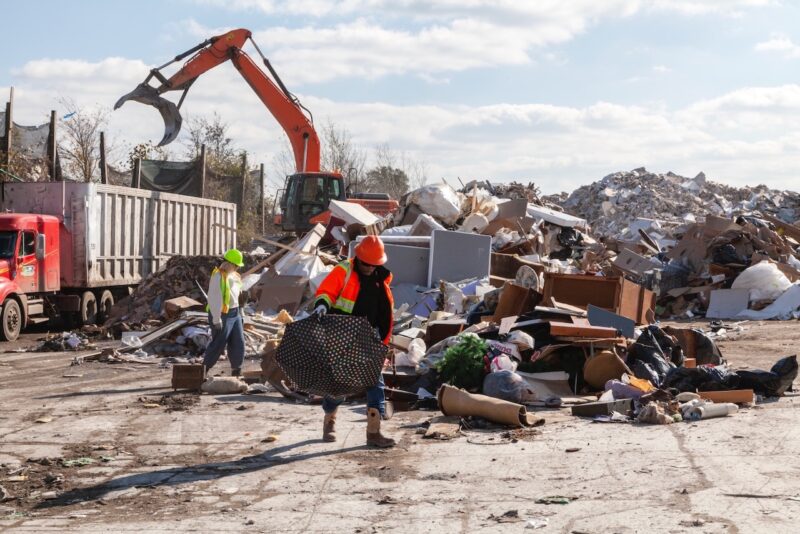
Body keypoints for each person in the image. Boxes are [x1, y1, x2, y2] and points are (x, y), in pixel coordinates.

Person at [313, 235, 396, 448]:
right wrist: (322, 305)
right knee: (341, 385)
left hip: (369, 338)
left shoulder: (381, 280)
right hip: (342, 336)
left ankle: (374, 433)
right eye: (366, 263)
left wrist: (385, 341)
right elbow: (326, 291)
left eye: (373, 264)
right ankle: (329, 419)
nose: (369, 267)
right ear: (358, 258)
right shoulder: (344, 270)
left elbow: (384, 313)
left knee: (375, 382)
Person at [202, 248, 246, 377]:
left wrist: (241, 312)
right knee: (218, 344)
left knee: (238, 342)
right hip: (222, 314)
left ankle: (236, 372)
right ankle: (202, 372)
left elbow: (239, 295)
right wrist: (216, 319)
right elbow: (214, 298)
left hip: (235, 313)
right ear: (229, 264)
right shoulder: (218, 276)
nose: (238, 268)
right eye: (236, 265)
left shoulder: (235, 276)